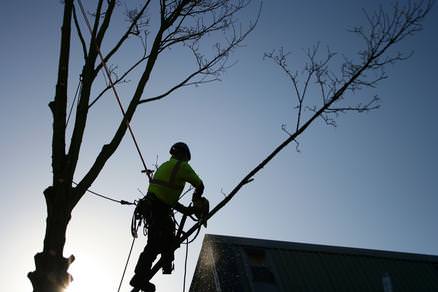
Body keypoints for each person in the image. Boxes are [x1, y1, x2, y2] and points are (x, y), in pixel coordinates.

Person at [130, 142, 205, 292]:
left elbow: (166, 196)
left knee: (165, 238)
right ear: (183, 155)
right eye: (186, 158)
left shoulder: (164, 166)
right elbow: (200, 185)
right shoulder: (183, 166)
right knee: (155, 243)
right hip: (158, 209)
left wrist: (186, 211)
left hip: (153, 208)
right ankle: (139, 278)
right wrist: (197, 200)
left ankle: (163, 264)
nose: (186, 161)